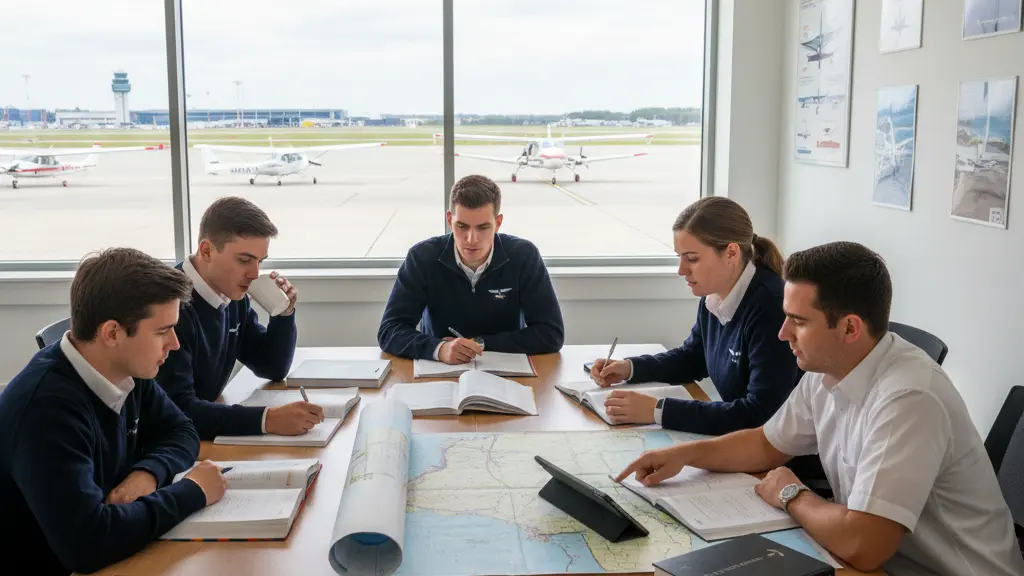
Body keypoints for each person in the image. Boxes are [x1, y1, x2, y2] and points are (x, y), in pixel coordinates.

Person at [615, 241, 1024, 575]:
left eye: (799, 321)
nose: (782, 333)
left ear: (849, 328)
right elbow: (765, 444)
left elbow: (865, 546)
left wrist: (791, 493)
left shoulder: (909, 398)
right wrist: (681, 456)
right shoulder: (828, 367)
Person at [0, 248, 228, 576]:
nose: (175, 344)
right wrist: (192, 492)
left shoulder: (126, 369)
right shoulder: (45, 410)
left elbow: (182, 431)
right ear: (112, 333)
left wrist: (149, 473)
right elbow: (87, 543)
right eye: (163, 331)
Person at [591, 197, 801, 435]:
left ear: (731, 253)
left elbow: (760, 414)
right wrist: (630, 368)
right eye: (679, 257)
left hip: (784, 458)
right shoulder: (714, 295)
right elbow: (693, 358)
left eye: (692, 258)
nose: (681, 269)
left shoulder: (771, 306)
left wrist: (658, 410)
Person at [156, 197, 323, 440]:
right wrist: (268, 420)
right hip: (173, 444)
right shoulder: (170, 307)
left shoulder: (232, 296)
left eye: (260, 261)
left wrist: (283, 313)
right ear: (206, 251)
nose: (255, 273)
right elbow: (179, 410)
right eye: (244, 260)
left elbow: (272, 367)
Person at [377, 174, 564, 363]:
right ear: (449, 220)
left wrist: (480, 344)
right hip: (439, 371)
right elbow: (389, 330)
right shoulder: (422, 257)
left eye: (483, 227)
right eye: (462, 226)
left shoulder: (524, 256)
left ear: (498, 223)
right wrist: (438, 349)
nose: (472, 239)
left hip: (506, 374)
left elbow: (551, 334)